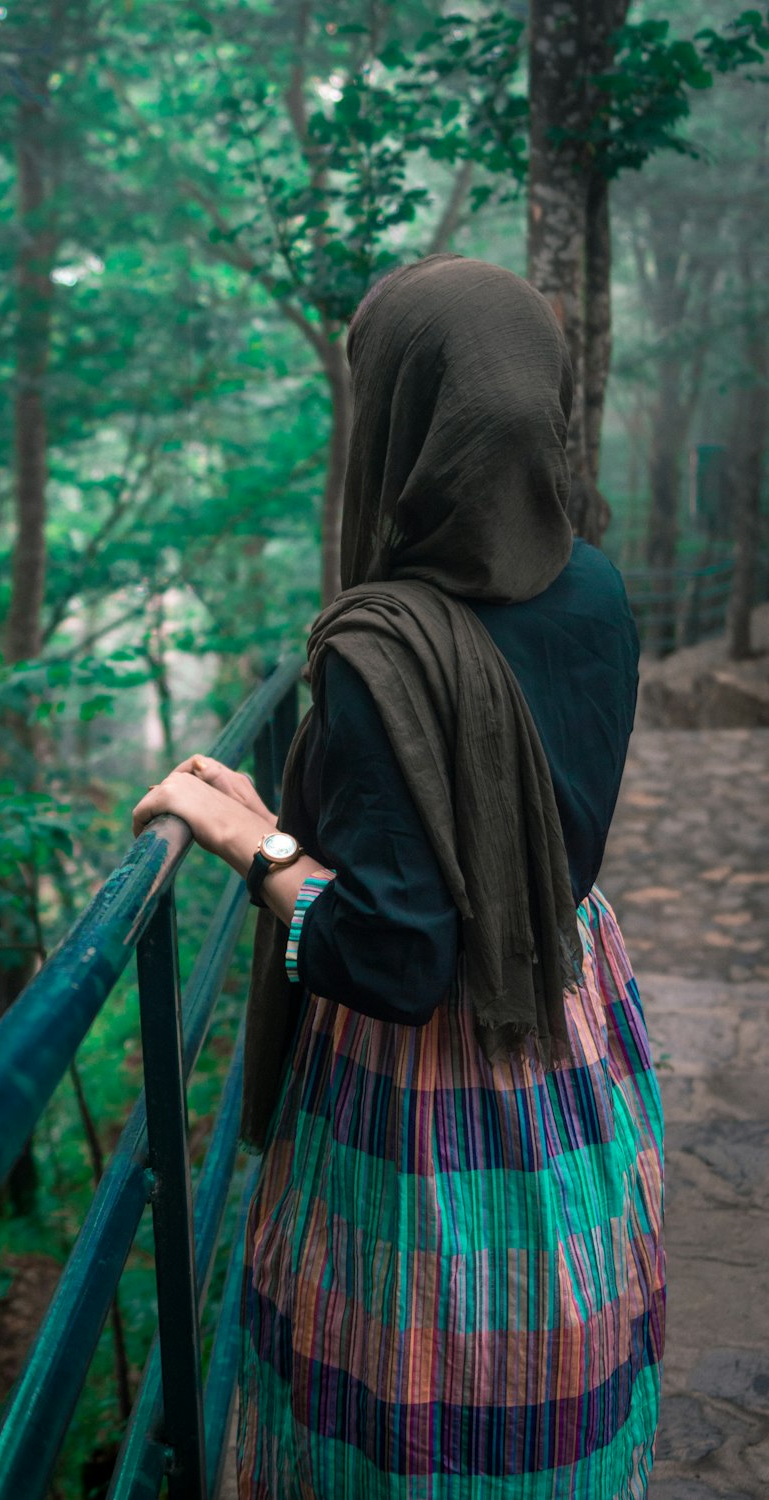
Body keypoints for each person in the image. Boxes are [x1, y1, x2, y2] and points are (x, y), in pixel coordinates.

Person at [132, 254, 665, 1498]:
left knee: (408, 1405)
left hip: (430, 1099)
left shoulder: (386, 653)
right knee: (551, 1382)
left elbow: (393, 953)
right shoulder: (596, 590)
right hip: (570, 1015)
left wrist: (252, 844)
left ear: (401, 421)